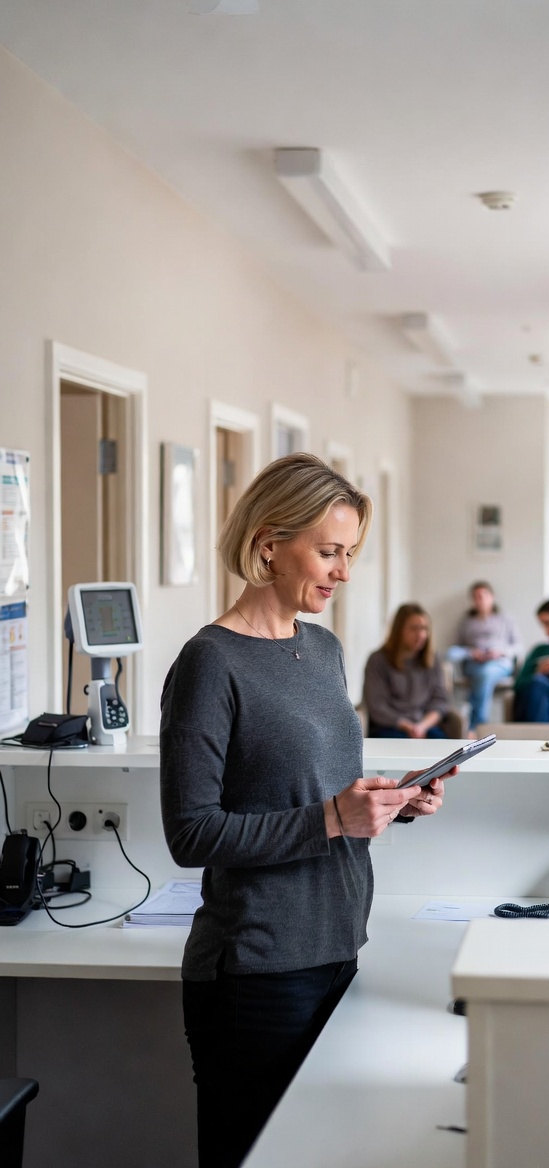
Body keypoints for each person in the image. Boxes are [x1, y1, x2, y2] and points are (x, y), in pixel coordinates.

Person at [159, 453, 453, 1168]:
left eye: (349, 553)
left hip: (338, 941)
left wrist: (392, 802)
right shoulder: (211, 662)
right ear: (268, 543)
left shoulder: (322, 649)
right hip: (261, 967)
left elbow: (322, 786)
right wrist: (332, 818)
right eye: (328, 552)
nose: (343, 573)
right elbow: (192, 832)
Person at [363, 603, 451, 738]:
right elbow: (377, 706)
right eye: (414, 628)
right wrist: (407, 726)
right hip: (389, 727)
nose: (421, 634)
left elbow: (440, 701)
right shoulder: (377, 660)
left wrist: (421, 726)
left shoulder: (433, 659)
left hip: (424, 726)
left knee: (443, 747)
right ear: (399, 630)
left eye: (424, 629)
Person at [447, 581, 522, 731]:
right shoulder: (466, 622)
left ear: (492, 597)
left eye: (483, 596)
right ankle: (478, 723)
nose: (480, 600)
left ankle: (476, 724)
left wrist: (500, 652)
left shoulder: (505, 619)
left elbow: (519, 647)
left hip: (499, 663)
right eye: (476, 597)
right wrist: (472, 653)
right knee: (475, 668)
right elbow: (455, 649)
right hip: (474, 663)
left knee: (486, 673)